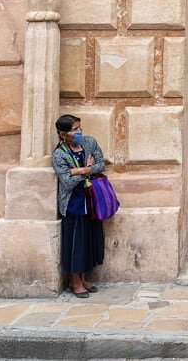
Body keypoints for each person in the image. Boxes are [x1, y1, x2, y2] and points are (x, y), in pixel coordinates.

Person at [52, 114, 106, 298]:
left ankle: (84, 278)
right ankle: (74, 281)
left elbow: (101, 165)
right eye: (75, 130)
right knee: (75, 243)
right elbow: (66, 183)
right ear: (63, 134)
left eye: (79, 128)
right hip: (73, 203)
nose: (79, 132)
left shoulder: (90, 143)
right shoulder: (59, 154)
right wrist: (85, 169)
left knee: (89, 240)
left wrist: (77, 171)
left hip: (91, 200)